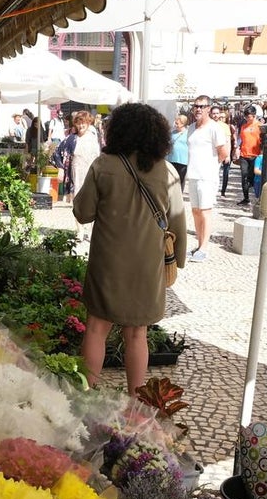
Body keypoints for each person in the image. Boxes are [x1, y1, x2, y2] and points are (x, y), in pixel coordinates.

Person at [73, 102, 187, 394]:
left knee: (97, 328)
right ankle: (138, 403)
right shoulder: (168, 171)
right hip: (147, 266)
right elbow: (177, 220)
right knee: (138, 333)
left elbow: (83, 213)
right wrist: (180, 259)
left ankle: (87, 395)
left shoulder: (103, 166)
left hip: (107, 262)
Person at [185, 95, 229, 261]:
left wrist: (211, 167)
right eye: (195, 106)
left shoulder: (214, 128)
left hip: (207, 176)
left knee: (205, 211)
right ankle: (198, 244)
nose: (198, 109)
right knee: (195, 211)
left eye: (201, 106)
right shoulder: (191, 128)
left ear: (209, 108)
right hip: (193, 175)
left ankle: (204, 247)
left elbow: (223, 153)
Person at [237, 106, 262, 205]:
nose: (247, 118)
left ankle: (256, 195)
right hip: (244, 155)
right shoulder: (243, 126)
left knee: (252, 176)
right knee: (244, 176)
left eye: (249, 117)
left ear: (254, 116)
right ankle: (246, 198)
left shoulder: (260, 126)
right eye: (246, 117)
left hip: (255, 155)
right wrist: (238, 148)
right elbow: (242, 140)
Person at [210, 105, 236, 196]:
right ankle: (212, 191)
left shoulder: (224, 126)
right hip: (211, 153)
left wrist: (228, 155)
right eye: (214, 113)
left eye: (217, 113)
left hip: (223, 152)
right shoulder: (207, 125)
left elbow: (228, 141)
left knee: (224, 173)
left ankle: (222, 191)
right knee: (213, 173)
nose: (216, 115)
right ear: (210, 114)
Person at [169, 113, 189, 191]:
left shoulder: (188, 133)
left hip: (182, 160)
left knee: (180, 179)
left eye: (177, 123)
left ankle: (179, 194)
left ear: (183, 123)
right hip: (171, 159)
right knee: (171, 178)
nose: (175, 124)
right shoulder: (172, 133)